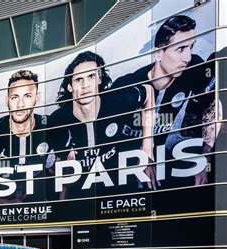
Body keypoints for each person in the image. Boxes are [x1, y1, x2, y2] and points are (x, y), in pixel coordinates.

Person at [112, 15, 214, 188]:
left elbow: (211, 107)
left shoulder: (193, 69)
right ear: (158, 54)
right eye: (180, 49)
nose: (188, 57)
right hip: (121, 168)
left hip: (160, 160)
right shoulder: (127, 86)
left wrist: (204, 157)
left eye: (191, 47)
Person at [48, 51, 156, 200]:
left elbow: (148, 92)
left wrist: (147, 150)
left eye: (91, 77)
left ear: (99, 79)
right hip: (84, 197)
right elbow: (55, 166)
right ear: (70, 87)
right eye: (79, 80)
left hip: (120, 193)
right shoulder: (58, 120)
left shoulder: (115, 100)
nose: (86, 85)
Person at [0, 69, 52, 204]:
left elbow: (62, 176)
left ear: (37, 97)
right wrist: (3, 203)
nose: (20, 104)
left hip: (41, 214)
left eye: (27, 96)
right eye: (15, 97)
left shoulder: (50, 127)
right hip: (0, 215)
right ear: (7, 100)